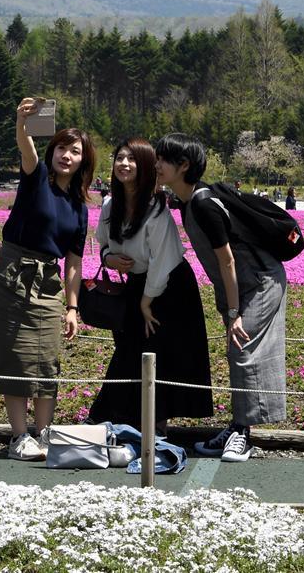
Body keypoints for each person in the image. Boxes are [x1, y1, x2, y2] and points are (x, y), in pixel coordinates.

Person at [0, 98, 95, 461]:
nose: (66, 156)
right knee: (16, 356)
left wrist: (72, 307)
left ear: (84, 161)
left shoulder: (80, 208)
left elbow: (74, 262)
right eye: (61, 148)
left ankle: (44, 434)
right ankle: (19, 436)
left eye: (75, 151)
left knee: (45, 358)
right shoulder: (36, 175)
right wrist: (21, 122)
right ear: (51, 150)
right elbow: (26, 147)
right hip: (12, 272)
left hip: (48, 282)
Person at [155, 133, 287, 463]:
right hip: (242, 285)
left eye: (163, 159)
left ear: (183, 166)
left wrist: (233, 312)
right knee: (237, 350)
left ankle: (243, 433)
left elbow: (226, 260)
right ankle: (238, 426)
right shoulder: (187, 201)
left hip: (260, 281)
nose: (156, 164)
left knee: (242, 349)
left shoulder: (202, 203)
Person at [88, 139, 213, 431]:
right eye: (120, 158)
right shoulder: (110, 205)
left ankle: (152, 425)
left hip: (170, 288)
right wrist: (108, 259)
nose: (124, 164)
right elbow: (102, 243)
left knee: (162, 352)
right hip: (138, 285)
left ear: (145, 165)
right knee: (130, 350)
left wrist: (147, 302)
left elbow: (162, 259)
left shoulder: (156, 209)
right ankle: (120, 419)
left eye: (132, 159)